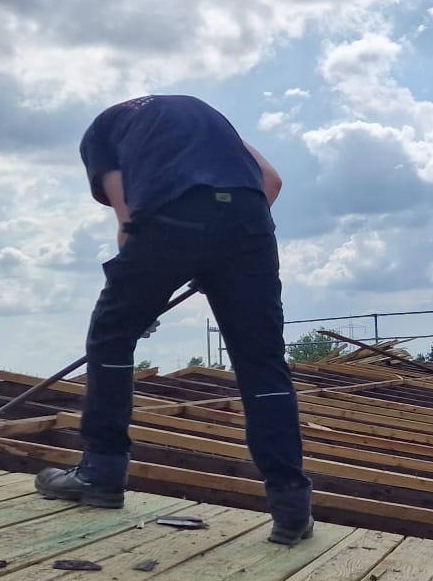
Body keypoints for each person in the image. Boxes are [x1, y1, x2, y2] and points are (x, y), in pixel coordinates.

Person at [36, 95, 315, 544]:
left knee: (110, 339)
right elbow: (272, 183)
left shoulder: (101, 133)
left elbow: (129, 217)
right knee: (262, 365)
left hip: (171, 217)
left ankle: (101, 474)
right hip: (249, 221)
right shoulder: (211, 121)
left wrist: (138, 301)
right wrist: (221, 253)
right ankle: (292, 508)